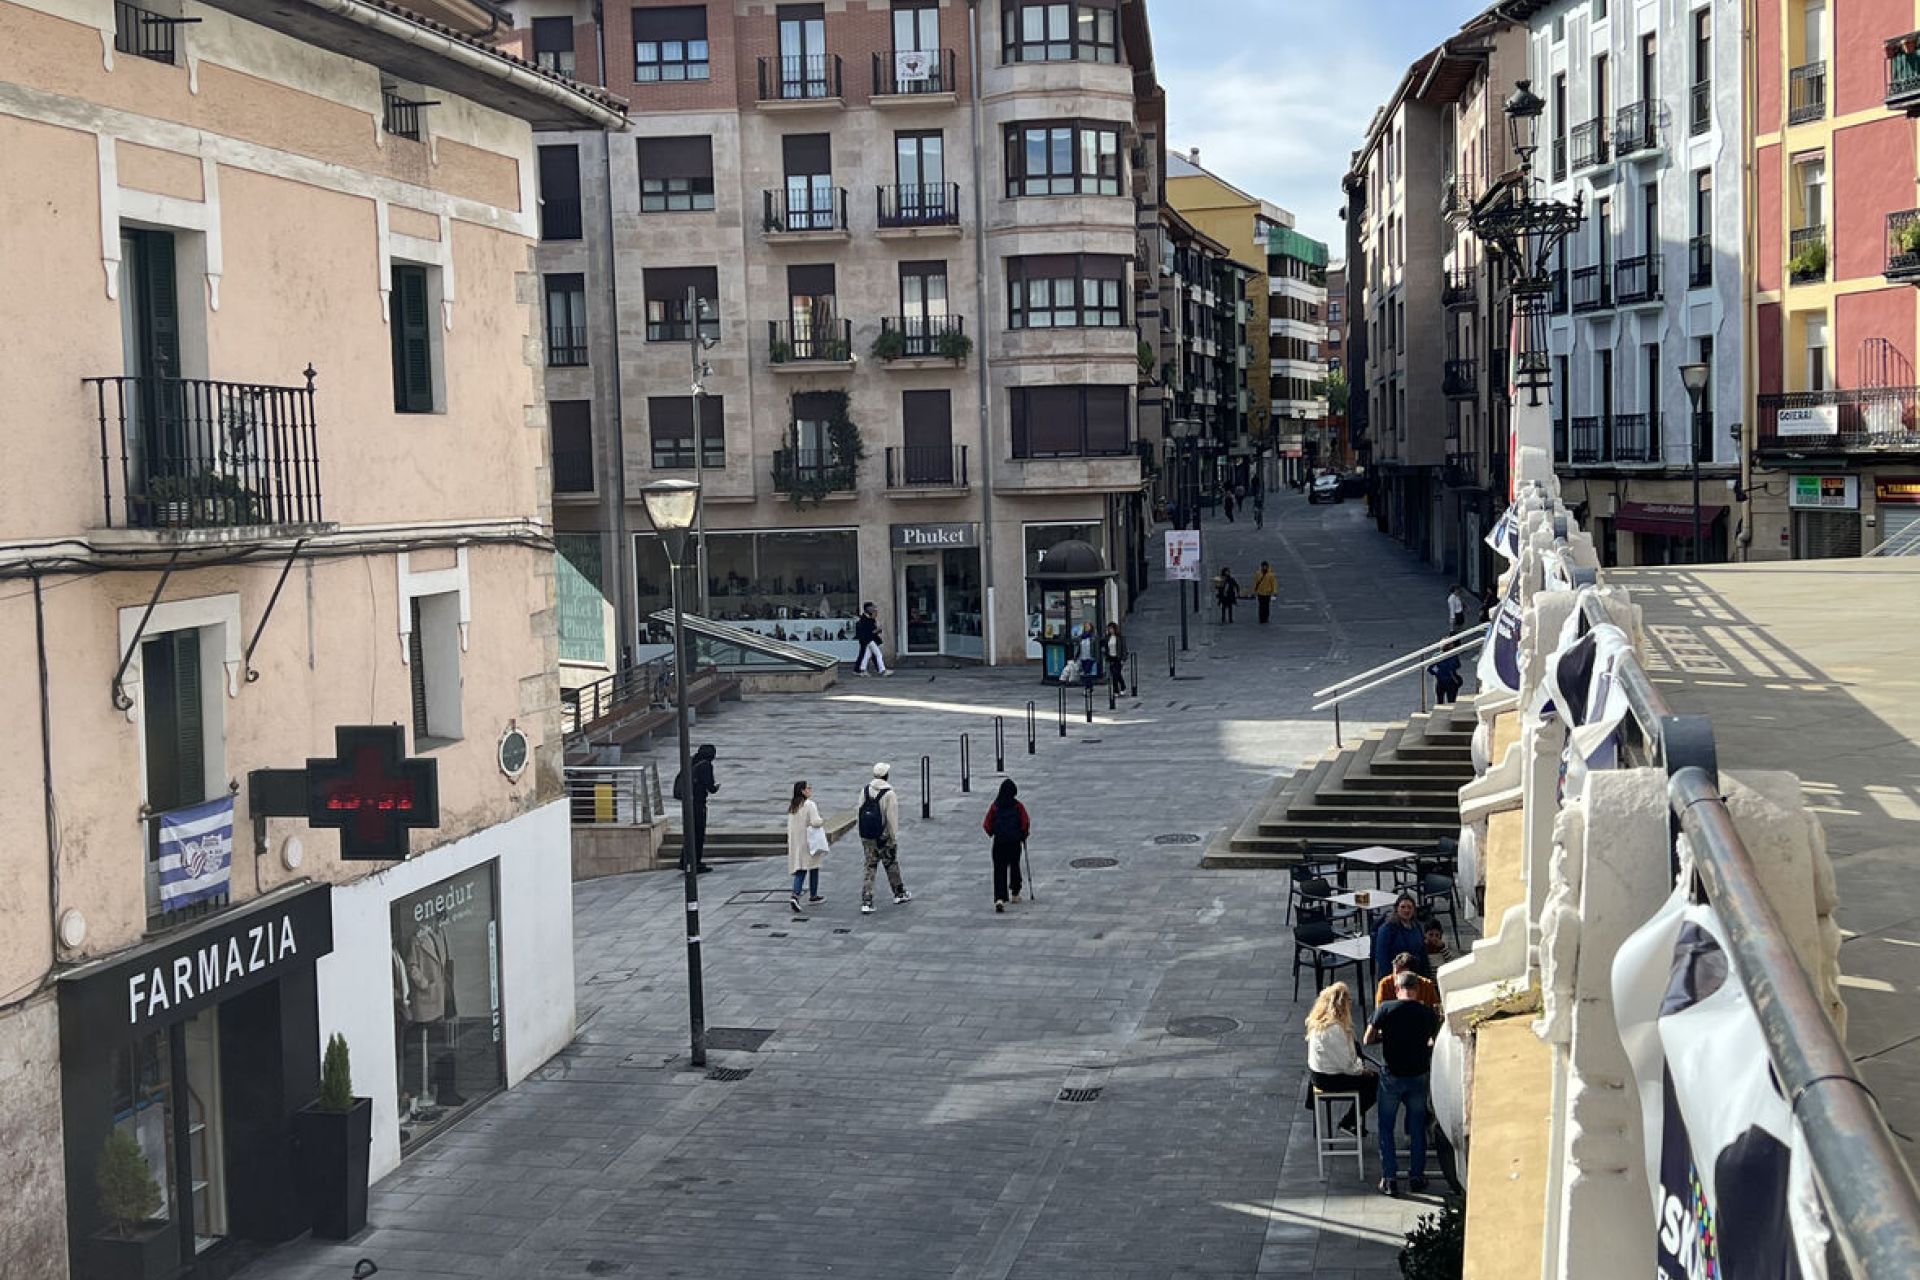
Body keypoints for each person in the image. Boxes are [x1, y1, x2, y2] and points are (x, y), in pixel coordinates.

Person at [1365, 971, 1442, 1196]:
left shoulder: (1386, 1009)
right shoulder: (1427, 1013)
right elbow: (1435, 1042)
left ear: (1397, 989)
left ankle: (1389, 1178)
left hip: (1392, 1076)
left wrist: (1386, 1037)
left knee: (1386, 1127)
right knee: (1417, 1126)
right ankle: (1416, 1176)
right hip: (1418, 1076)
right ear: (1416, 989)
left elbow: (1368, 1038)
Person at [1305, 982, 1378, 1134]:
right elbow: (1347, 1065)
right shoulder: (1335, 1029)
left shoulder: (1318, 1023)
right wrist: (1362, 1069)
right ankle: (1349, 1121)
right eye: (1349, 1000)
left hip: (1317, 1075)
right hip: (1330, 1079)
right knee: (1374, 1082)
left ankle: (1352, 1121)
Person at [856, 763, 911, 914]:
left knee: (870, 866)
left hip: (868, 836)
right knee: (891, 864)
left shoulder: (865, 790)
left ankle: (867, 900)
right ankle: (899, 893)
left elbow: (859, 811)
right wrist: (893, 837)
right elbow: (891, 818)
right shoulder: (889, 793)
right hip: (883, 836)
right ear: (887, 775)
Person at [981, 778, 1031, 912]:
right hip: (1014, 842)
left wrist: (993, 832)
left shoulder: (995, 806)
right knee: (1014, 865)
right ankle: (1015, 893)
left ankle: (1000, 898)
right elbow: (1025, 823)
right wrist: (1023, 835)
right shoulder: (1018, 806)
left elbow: (987, 824)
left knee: (999, 869)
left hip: (999, 842)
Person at [673, 743, 719, 873]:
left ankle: (685, 861)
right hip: (698, 803)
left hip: (688, 802)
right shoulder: (706, 765)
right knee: (698, 834)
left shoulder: (692, 761)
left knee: (690, 834)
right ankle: (695, 863)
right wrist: (715, 788)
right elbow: (709, 786)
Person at [786, 781, 827, 913]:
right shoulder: (810, 805)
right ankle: (798, 895)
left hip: (797, 842)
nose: (810, 790)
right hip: (810, 842)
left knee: (802, 868)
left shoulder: (794, 806)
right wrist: (822, 821)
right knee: (811, 867)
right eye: (808, 788)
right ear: (803, 791)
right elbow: (815, 822)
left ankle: (805, 895)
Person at [1372, 894, 1428, 981]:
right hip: (1395, 976)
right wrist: (1392, 979)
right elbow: (1382, 957)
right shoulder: (1387, 929)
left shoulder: (1417, 926)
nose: (1406, 910)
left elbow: (1422, 951)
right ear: (1397, 909)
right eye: (1403, 907)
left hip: (1416, 974)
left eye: (1409, 907)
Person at [1373, 952, 1441, 1011]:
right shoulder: (1385, 984)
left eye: (1401, 975)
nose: (1397, 978)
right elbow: (1380, 1011)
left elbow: (1436, 1009)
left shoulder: (1426, 985)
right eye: (1395, 973)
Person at [854, 602, 891, 677]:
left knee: (867, 655)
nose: (874, 609)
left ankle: (863, 669)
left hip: (869, 639)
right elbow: (869, 631)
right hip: (868, 639)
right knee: (878, 654)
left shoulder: (868, 618)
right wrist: (877, 629)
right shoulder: (865, 619)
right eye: (872, 607)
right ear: (867, 608)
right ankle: (882, 670)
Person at [1104, 622, 1129, 696]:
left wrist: (1123, 659)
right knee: (1113, 674)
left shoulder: (1120, 638)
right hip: (1111, 657)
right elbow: (1105, 647)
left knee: (1117, 673)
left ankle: (1122, 686)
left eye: (1111, 628)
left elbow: (1124, 649)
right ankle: (1116, 690)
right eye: (1109, 629)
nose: (1110, 630)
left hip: (1118, 658)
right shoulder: (1107, 638)